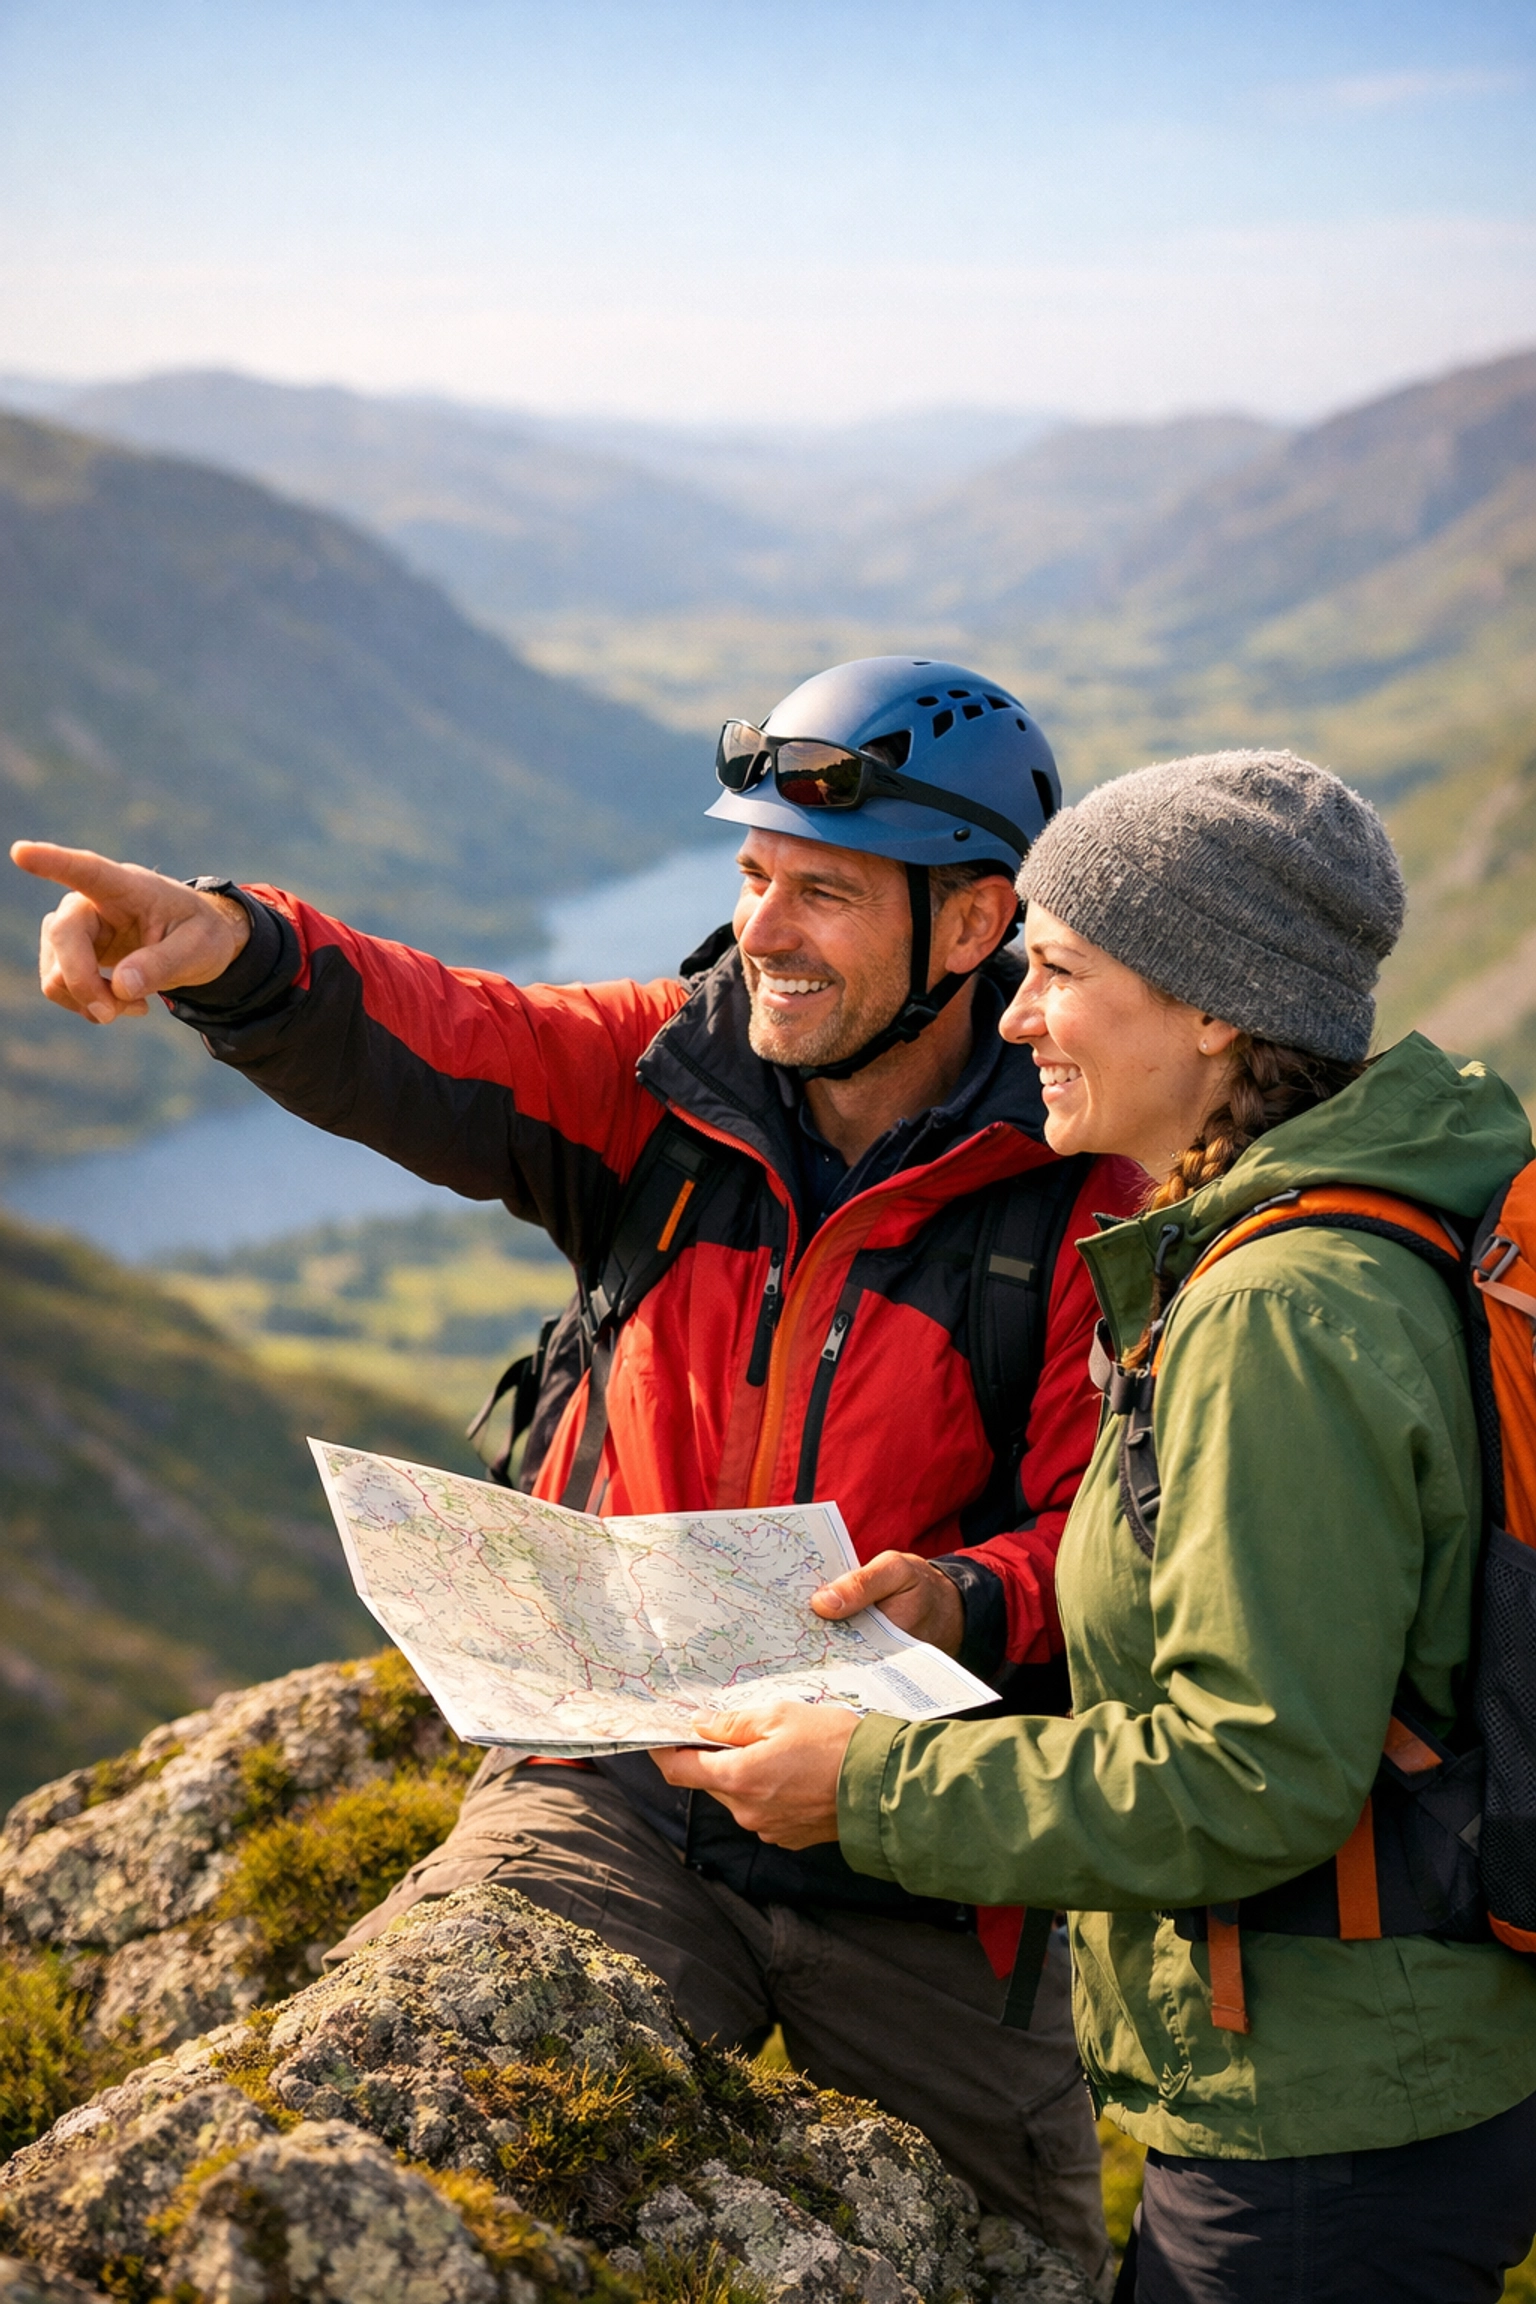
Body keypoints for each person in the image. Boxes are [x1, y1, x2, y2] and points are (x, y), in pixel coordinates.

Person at [14, 655, 1144, 2290]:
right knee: (395, 2102)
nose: (763, 927)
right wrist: (238, 949)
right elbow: (447, 1031)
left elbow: (1098, 1539)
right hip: (620, 1787)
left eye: (823, 890)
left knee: (1012, 2273)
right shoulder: (668, 1089)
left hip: (927, 1852)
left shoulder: (1076, 1196)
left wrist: (967, 1596)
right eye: (753, 875)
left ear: (973, 929)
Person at [655, 750, 1536, 2304]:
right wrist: (962, 1602)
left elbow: (1245, 1775)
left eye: (1054, 970)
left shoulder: (1281, 1308)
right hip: (1357, 2082)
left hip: (1329, 2135)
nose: (1009, 1016)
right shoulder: (1340, 1235)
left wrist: (867, 1783)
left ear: (1213, 1008)